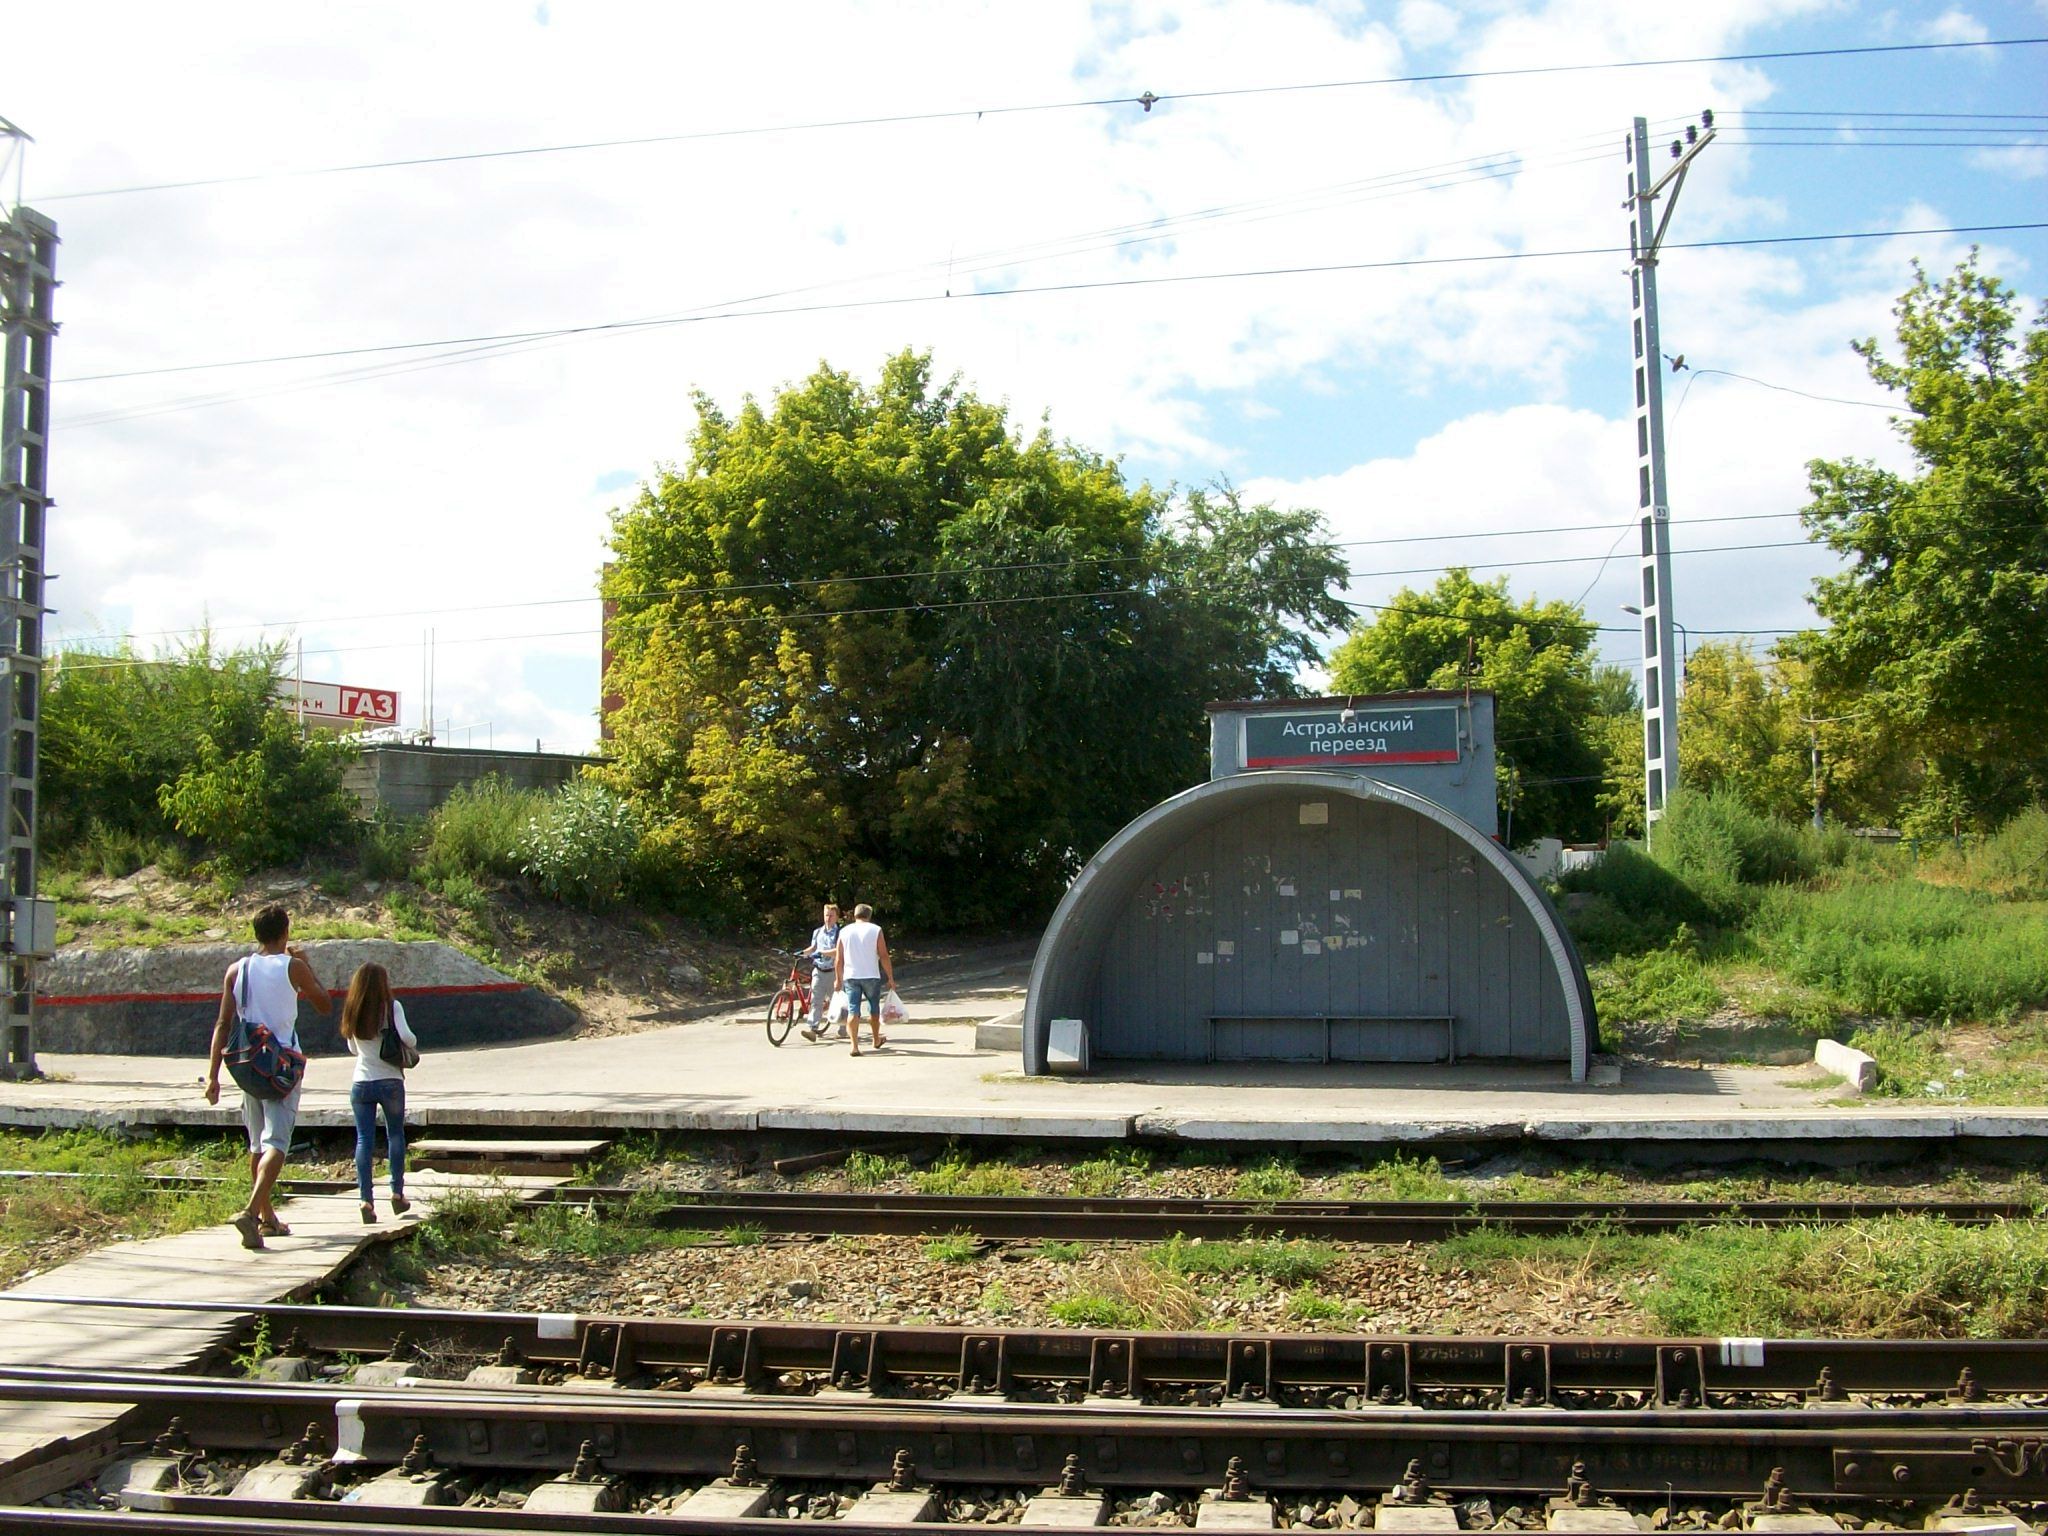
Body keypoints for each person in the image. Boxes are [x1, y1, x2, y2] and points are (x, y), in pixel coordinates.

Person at [204, 904, 331, 1251]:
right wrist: (308, 965)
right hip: (281, 1066)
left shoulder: (236, 969)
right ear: (285, 932)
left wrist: (213, 1077)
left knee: (256, 1143)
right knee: (277, 1143)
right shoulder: (294, 967)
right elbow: (324, 1005)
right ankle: (249, 1211)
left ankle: (267, 1218)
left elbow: (222, 1025)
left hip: (246, 1066)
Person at [338, 962, 418, 1225]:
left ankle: (365, 1200)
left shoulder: (353, 1008)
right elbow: (408, 1038)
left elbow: (352, 1048)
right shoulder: (391, 1007)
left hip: (361, 1082)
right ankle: (397, 1193)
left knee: (364, 1139)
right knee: (395, 1134)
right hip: (390, 1082)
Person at [833, 902, 894, 1057]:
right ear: (869, 915)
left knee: (853, 1010)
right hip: (871, 975)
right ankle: (875, 1039)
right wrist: (890, 978)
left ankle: (854, 1046)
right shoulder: (876, 930)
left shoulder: (844, 931)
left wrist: (838, 979)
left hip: (851, 976)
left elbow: (839, 959)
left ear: (855, 915)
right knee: (874, 1009)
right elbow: (884, 955)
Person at [798, 902, 843, 1042]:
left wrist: (824, 953)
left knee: (837, 1001)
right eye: (826, 915)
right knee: (816, 1000)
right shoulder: (817, 932)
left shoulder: (840, 933)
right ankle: (812, 1028)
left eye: (831, 915)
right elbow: (813, 948)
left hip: (833, 971)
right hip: (818, 970)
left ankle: (843, 1027)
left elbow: (839, 952)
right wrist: (801, 953)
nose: (828, 918)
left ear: (836, 917)